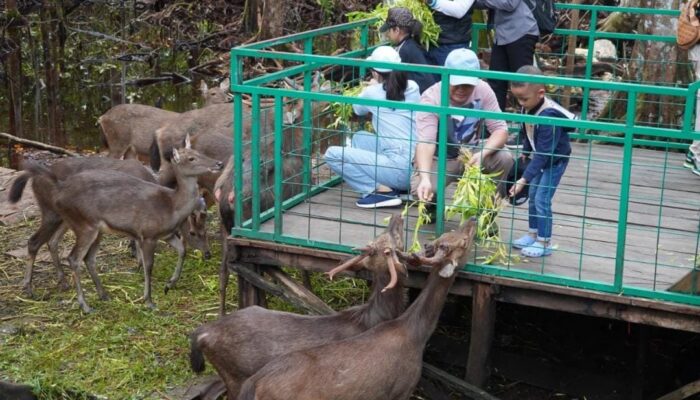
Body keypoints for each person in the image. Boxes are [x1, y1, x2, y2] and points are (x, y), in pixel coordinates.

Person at [412, 48, 513, 207]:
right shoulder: (431, 98)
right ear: (447, 77)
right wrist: (425, 178)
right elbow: (426, 143)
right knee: (421, 189)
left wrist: (482, 154)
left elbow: (500, 129)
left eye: (467, 84)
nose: (461, 89)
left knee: (504, 157)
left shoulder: (483, 89)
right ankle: (432, 210)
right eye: (457, 83)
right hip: (441, 158)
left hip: (472, 153)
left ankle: (487, 210)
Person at [324, 46, 421, 209]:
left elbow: (357, 110)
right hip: (416, 164)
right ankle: (394, 187)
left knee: (332, 154)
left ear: (375, 73)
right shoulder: (413, 87)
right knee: (359, 137)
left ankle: (379, 191)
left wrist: (369, 88)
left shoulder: (371, 92)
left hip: (399, 168)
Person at [508, 65, 574, 257]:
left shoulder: (548, 117)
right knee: (533, 199)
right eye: (517, 98)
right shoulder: (527, 106)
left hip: (554, 161)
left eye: (524, 99)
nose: (521, 103)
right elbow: (526, 129)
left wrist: (523, 179)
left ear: (541, 93)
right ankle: (533, 234)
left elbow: (545, 154)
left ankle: (544, 242)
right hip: (538, 157)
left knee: (541, 199)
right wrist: (525, 151)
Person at [475, 0, 539, 111]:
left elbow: (509, 3)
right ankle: (496, 124)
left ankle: (529, 125)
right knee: (496, 82)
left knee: (523, 83)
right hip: (502, 35)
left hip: (521, 32)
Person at [380, 7, 436, 93]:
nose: (388, 34)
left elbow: (397, 80)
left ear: (397, 30)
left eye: (389, 31)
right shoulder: (410, 44)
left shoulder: (405, 50)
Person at [425, 0, 475, 67]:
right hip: (429, 41)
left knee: (451, 76)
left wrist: (433, 2)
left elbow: (459, 10)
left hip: (453, 44)